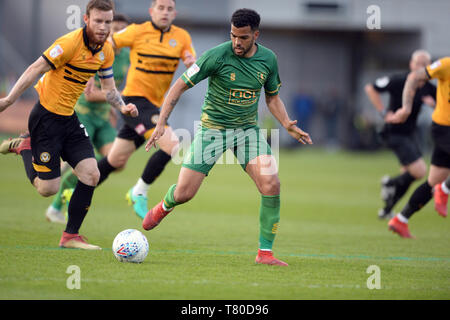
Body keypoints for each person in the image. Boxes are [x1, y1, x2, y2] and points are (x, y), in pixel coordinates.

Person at [142, 8, 313, 266]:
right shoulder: (216, 55)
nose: (236, 42)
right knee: (185, 193)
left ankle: (264, 253)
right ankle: (165, 205)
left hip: (247, 132)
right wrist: (162, 123)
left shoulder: (268, 59)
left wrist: (286, 123)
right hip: (213, 130)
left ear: (255, 35)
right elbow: (179, 85)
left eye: (243, 37)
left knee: (272, 185)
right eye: (233, 35)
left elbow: (272, 97)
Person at [0, 0, 138, 249]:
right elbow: (35, 68)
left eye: (108, 22)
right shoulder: (69, 44)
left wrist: (122, 106)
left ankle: (70, 236)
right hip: (46, 119)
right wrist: (9, 100)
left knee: (91, 173)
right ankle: (24, 147)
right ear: (86, 20)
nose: (104, 27)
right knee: (47, 189)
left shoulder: (106, 51)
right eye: (98, 21)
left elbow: (108, 89)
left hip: (70, 120)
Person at [95, 0, 196, 219]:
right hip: (134, 101)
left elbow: (190, 58)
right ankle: (138, 191)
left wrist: (190, 61)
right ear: (151, 11)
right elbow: (109, 43)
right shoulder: (137, 31)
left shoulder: (182, 37)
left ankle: (75, 190)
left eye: (169, 9)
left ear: (174, 13)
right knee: (172, 146)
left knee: (115, 160)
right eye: (160, 8)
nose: (165, 12)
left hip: (155, 104)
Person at [44, 13, 131, 224]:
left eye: (122, 29)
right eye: (115, 28)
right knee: (80, 164)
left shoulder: (125, 56)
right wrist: (118, 100)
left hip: (103, 119)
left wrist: (113, 107)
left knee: (116, 162)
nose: (117, 32)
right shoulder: (97, 52)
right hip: (84, 115)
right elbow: (90, 94)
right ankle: (56, 205)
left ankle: (70, 189)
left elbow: (112, 88)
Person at [364, 50, 436, 219]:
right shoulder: (399, 80)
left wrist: (433, 105)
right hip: (394, 132)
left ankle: (387, 210)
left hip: (410, 134)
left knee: (408, 176)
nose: (420, 67)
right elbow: (370, 88)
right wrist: (383, 112)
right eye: (418, 63)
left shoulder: (429, 88)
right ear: (411, 64)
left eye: (425, 64)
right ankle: (389, 183)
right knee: (419, 171)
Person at [385, 56, 450, 238]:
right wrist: (406, 108)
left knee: (433, 181)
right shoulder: (446, 65)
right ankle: (444, 190)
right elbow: (414, 77)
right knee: (440, 186)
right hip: (444, 128)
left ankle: (401, 219)